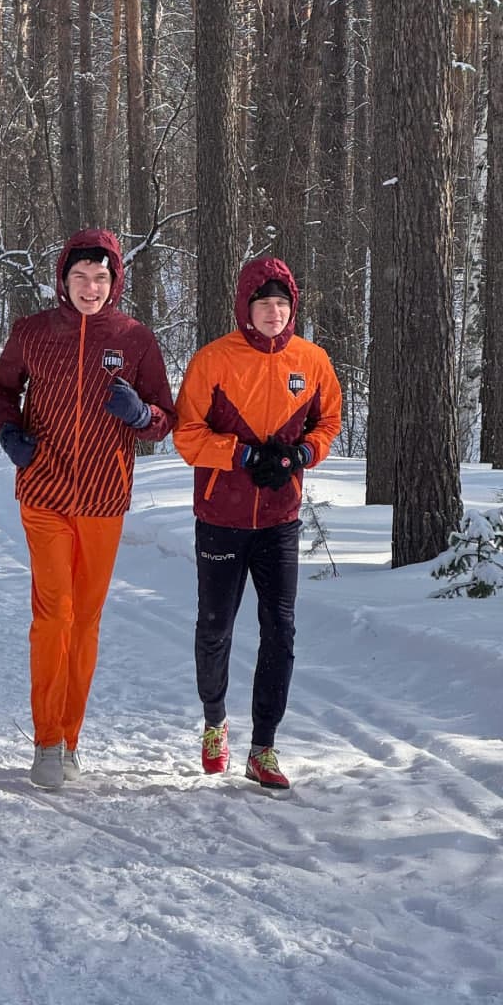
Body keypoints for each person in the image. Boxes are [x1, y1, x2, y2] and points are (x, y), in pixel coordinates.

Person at [0, 229, 176, 790]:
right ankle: (46, 740)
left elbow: (165, 418)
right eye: (79, 278)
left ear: (114, 282)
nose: (90, 288)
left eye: (100, 278)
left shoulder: (136, 339)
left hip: (102, 497)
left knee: (86, 620)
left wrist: (140, 414)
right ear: (62, 280)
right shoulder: (34, 332)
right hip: (43, 492)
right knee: (54, 615)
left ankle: (71, 739)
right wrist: (9, 433)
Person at [173, 257, 342, 790]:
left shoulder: (312, 361)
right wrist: (241, 456)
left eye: (282, 303)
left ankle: (263, 746)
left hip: (279, 519)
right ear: (245, 307)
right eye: (263, 302)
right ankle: (215, 722)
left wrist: (298, 456)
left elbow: (330, 421)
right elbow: (186, 434)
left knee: (281, 629)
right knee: (216, 626)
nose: (273, 311)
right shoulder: (214, 360)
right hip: (221, 517)